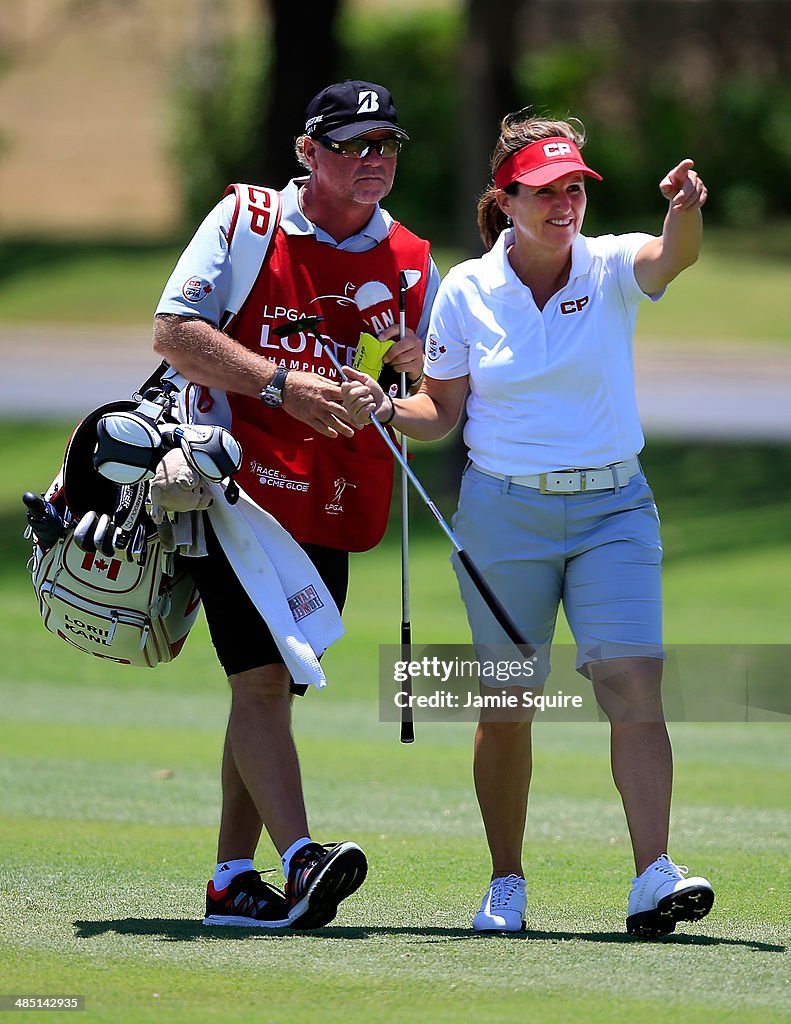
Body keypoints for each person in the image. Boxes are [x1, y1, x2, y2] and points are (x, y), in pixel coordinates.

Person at [341, 110, 714, 938]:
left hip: (614, 507)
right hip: (504, 514)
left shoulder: (612, 263)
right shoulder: (468, 290)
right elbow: (440, 411)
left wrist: (682, 207)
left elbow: (671, 256)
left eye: (575, 187)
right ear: (505, 200)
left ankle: (652, 875)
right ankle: (505, 882)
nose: (565, 203)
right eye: (546, 190)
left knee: (631, 683)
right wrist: (384, 405)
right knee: (509, 701)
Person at [152, 79, 439, 929]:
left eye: (385, 144)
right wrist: (279, 383)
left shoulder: (414, 258)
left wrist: (394, 387)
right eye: (352, 144)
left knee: (269, 690)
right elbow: (174, 332)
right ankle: (303, 860)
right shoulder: (246, 219)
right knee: (264, 681)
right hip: (226, 481)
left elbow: (418, 393)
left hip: (331, 496)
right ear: (307, 153)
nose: (372, 160)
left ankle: (231, 883)